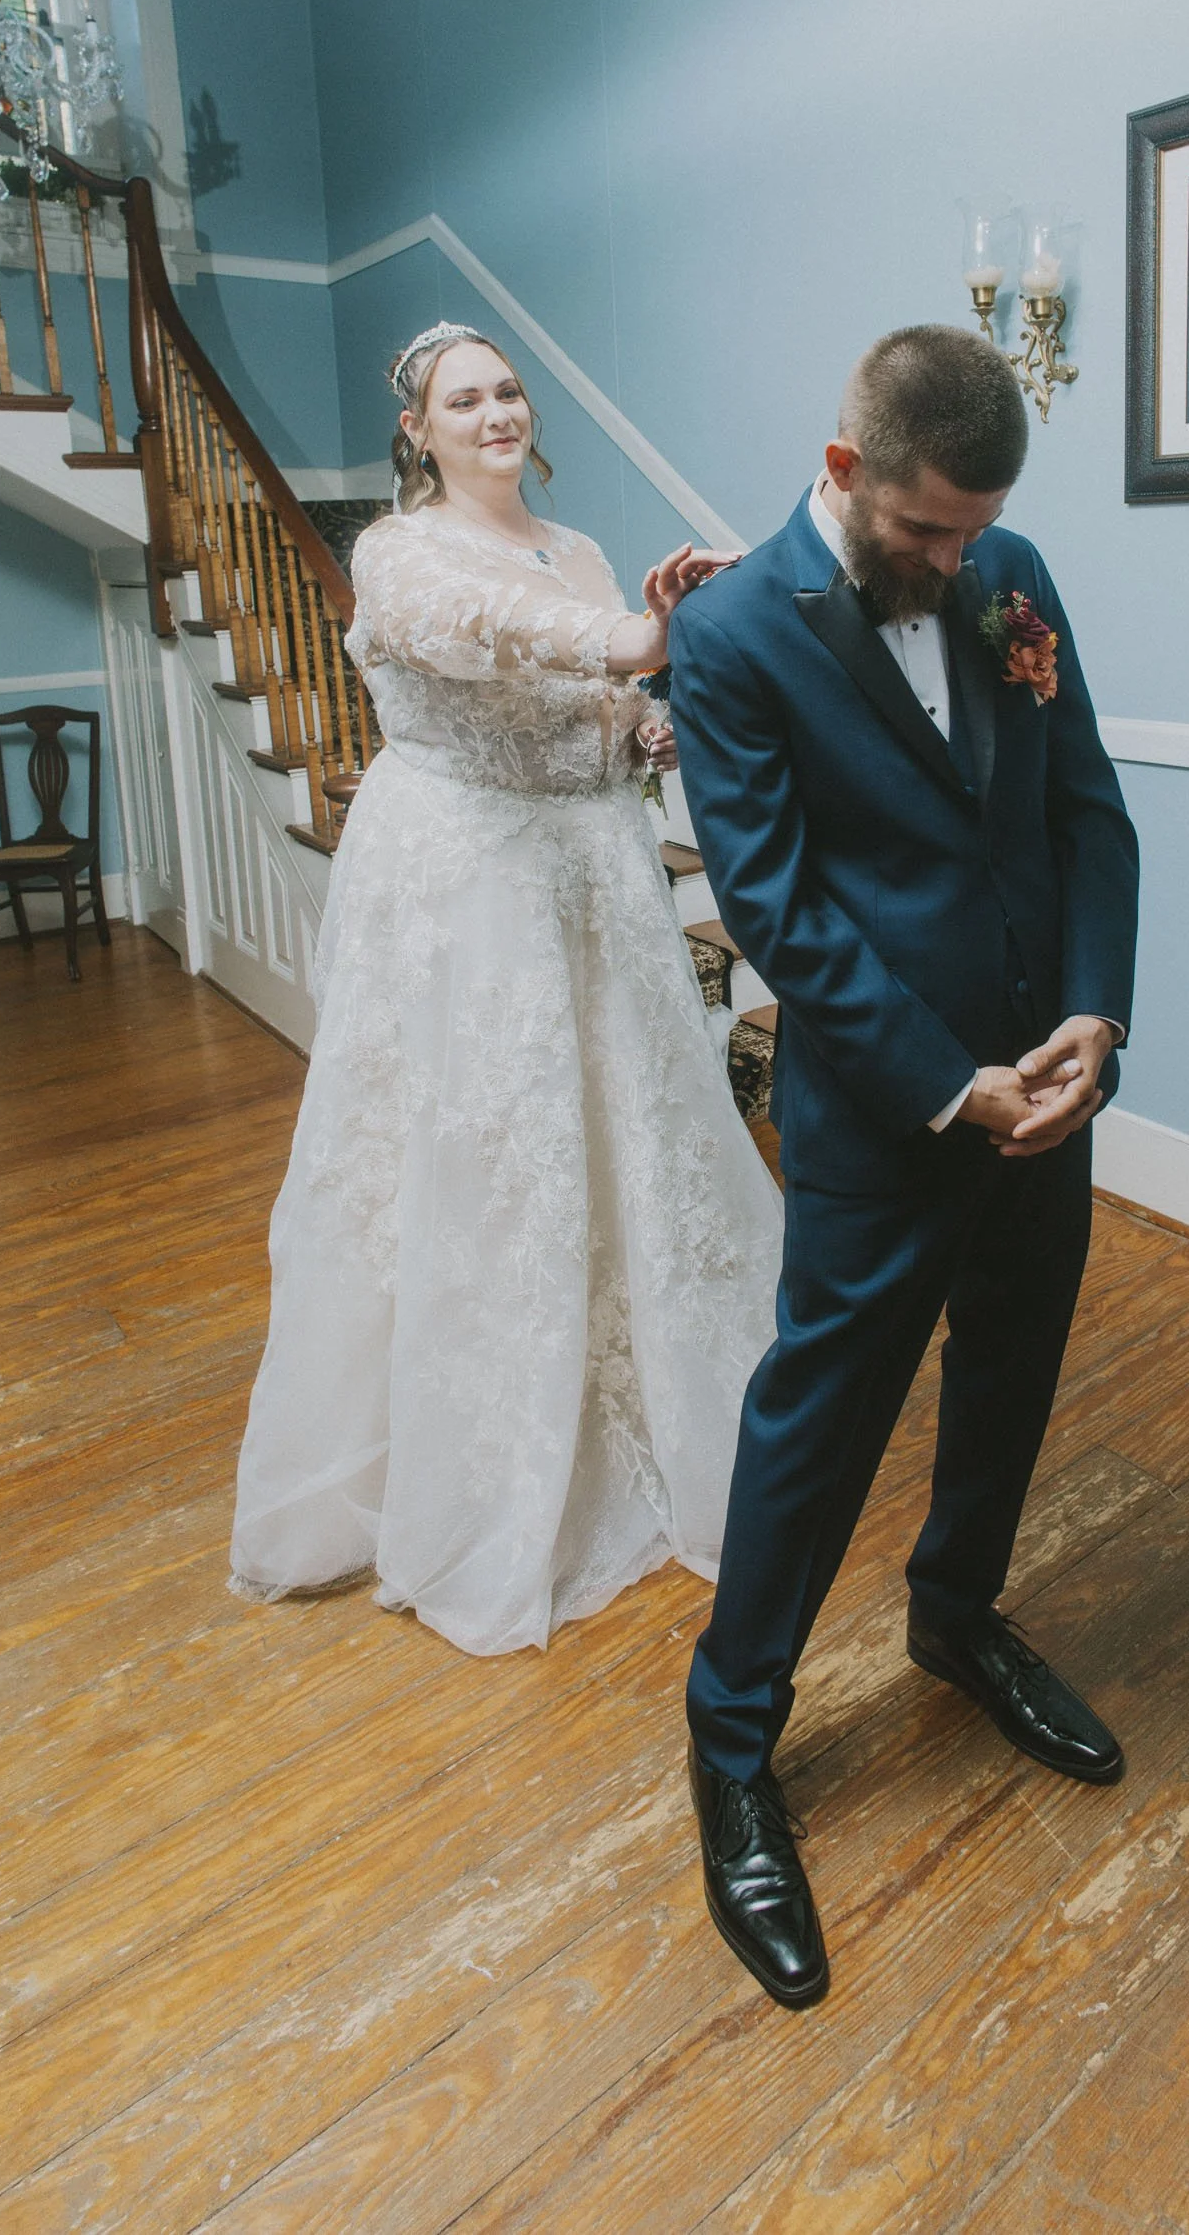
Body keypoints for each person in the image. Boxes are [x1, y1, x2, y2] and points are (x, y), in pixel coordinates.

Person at [669, 325, 1139, 2006]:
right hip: (887, 1107)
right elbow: (778, 910)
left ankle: (957, 1615)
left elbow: (1085, 807)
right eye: (928, 534)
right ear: (848, 469)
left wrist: (1091, 1014)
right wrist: (955, 1088)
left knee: (1010, 1367)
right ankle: (733, 1743)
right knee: (824, 1412)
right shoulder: (724, 635)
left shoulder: (1010, 570)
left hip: (1049, 1085)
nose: (958, 566)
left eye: (976, 534)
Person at [229, 322, 782, 1656]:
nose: (495, 411)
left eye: (508, 388)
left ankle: (662, 1407)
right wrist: (639, 634)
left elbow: (600, 705)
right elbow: (487, 635)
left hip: (594, 873)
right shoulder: (397, 552)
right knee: (490, 1155)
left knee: (629, 1143)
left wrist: (658, 706)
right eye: (461, 397)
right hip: (471, 887)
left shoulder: (578, 545)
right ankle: (486, 1458)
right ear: (414, 429)